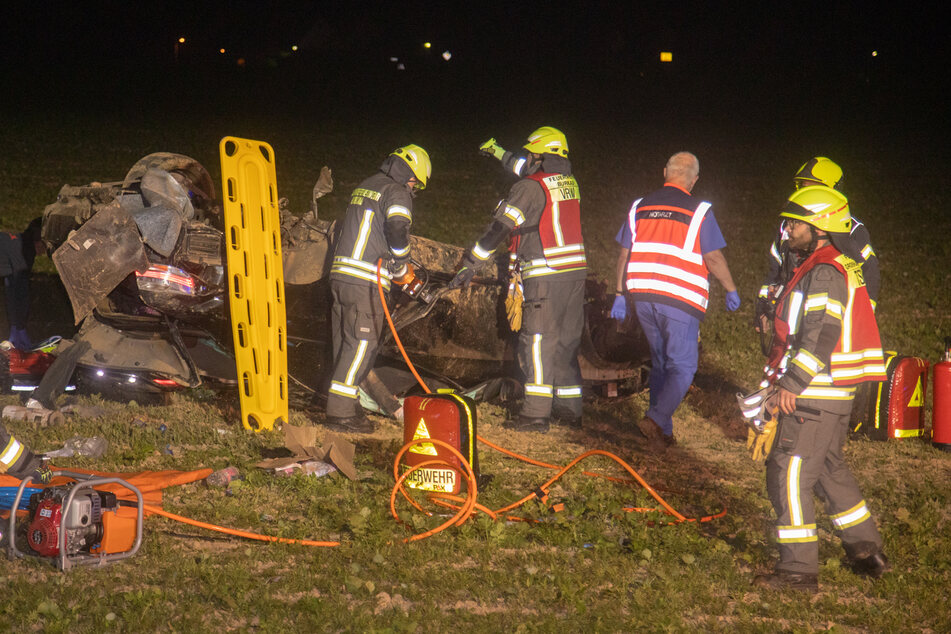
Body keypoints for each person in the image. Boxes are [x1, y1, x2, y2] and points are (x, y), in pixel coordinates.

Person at [753, 185, 888, 593]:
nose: (787, 229)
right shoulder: (826, 264)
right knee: (828, 466)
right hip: (831, 392)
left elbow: (821, 333)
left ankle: (797, 570)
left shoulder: (824, 271)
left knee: (788, 472)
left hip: (814, 392)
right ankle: (866, 550)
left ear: (820, 226)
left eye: (795, 223)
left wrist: (791, 383)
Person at [451, 126, 586, 432]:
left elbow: (500, 229)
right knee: (566, 344)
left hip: (545, 273)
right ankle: (569, 410)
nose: (527, 157)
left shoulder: (528, 188)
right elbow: (522, 167)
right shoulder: (567, 181)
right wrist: (497, 150)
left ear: (542, 156)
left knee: (538, 342)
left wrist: (471, 262)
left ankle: (535, 414)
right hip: (574, 275)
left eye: (532, 153)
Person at [610, 152, 740, 451]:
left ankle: (662, 433)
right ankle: (655, 419)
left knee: (660, 364)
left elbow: (623, 254)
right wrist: (730, 288)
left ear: (665, 172)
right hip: (680, 298)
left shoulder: (639, 207)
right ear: (694, 179)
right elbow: (713, 256)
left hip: (642, 296)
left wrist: (619, 293)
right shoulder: (700, 210)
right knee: (682, 366)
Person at [323, 145, 431, 433]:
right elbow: (397, 231)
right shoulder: (397, 193)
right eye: (415, 182)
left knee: (345, 344)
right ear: (408, 173)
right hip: (365, 280)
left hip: (340, 276)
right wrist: (401, 267)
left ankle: (349, 403)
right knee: (361, 345)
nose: (414, 189)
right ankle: (341, 412)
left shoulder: (367, 185)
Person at [755, 157, 880, 348]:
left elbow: (868, 280)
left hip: (830, 332)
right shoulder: (788, 227)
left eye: (812, 188)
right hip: (791, 330)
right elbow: (775, 270)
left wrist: (858, 324)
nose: (805, 194)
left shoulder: (851, 231)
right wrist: (763, 306)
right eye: (802, 187)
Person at [1, 218, 42, 350]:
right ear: (39, 242)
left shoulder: (20, 242)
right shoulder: (25, 252)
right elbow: (19, 294)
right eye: (46, 246)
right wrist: (20, 327)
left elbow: (10, 286)